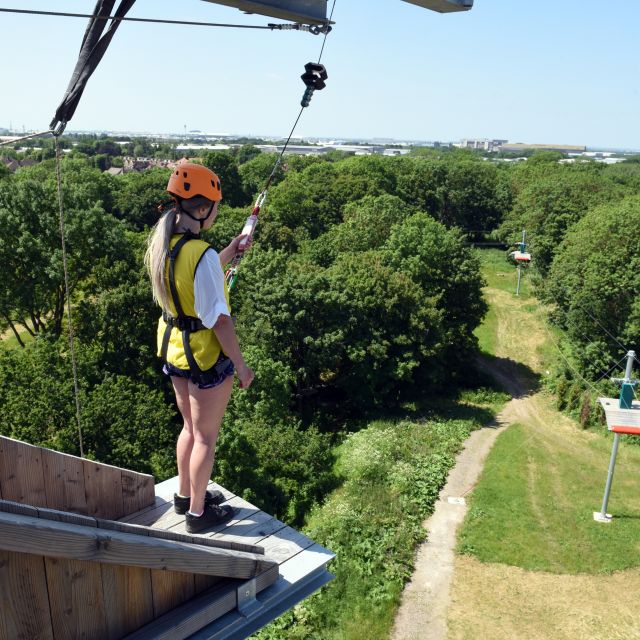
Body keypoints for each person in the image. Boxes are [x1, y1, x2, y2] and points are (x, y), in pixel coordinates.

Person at [145, 161, 254, 534]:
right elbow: (219, 321)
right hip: (206, 357)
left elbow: (190, 282)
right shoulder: (199, 254)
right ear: (204, 208)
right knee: (205, 437)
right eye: (216, 205)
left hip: (177, 351)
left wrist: (228, 251)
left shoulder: (164, 245)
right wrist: (241, 366)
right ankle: (197, 514)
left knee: (190, 429)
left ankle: (183, 497)